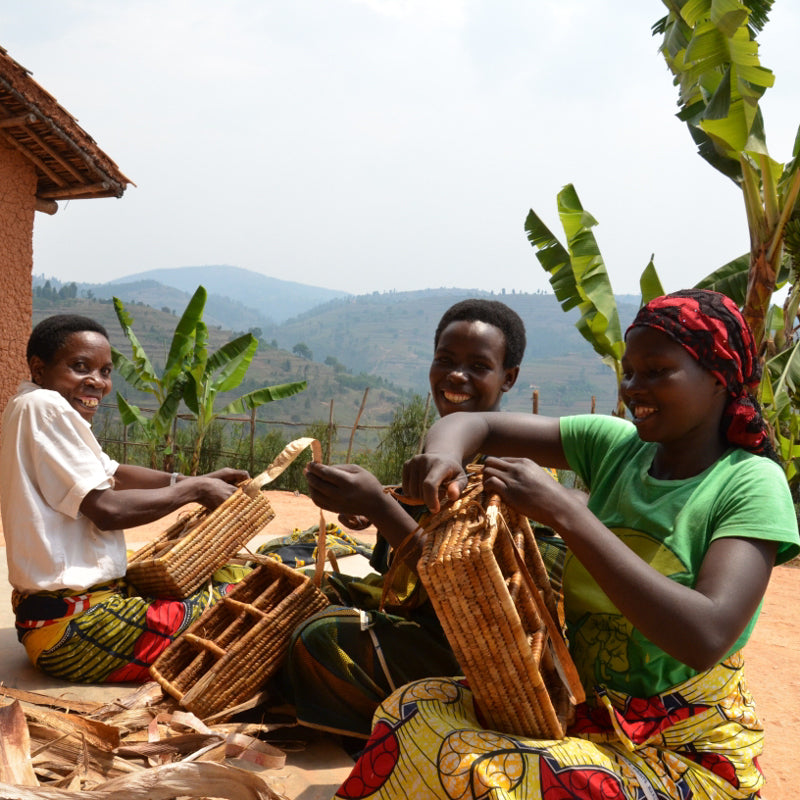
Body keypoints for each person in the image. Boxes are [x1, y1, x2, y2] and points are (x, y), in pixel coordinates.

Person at [333, 289, 800, 799]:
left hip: (680, 750)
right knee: (412, 710)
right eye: (630, 372)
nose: (633, 389)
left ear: (717, 377)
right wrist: (445, 456)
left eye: (657, 371)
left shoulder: (750, 483)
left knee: (494, 767)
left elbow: (705, 635)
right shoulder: (618, 447)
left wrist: (570, 515)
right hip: (583, 710)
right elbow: (474, 423)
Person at [281, 298, 555, 739]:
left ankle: (382, 733)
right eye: (444, 360)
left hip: (477, 652)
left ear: (509, 378)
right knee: (300, 588)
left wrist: (381, 508)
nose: (456, 376)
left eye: (478, 366)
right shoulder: (445, 455)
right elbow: (408, 554)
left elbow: (479, 595)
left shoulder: (514, 473)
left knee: (322, 636)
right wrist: (373, 504)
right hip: (431, 622)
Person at [1, 314, 252, 683]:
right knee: (246, 601)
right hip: (78, 633)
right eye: (80, 367)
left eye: (105, 371)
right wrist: (194, 491)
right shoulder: (44, 407)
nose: (96, 382)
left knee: (229, 577)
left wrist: (191, 478)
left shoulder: (35, 408)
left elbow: (114, 474)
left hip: (60, 619)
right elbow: (106, 509)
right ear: (39, 369)